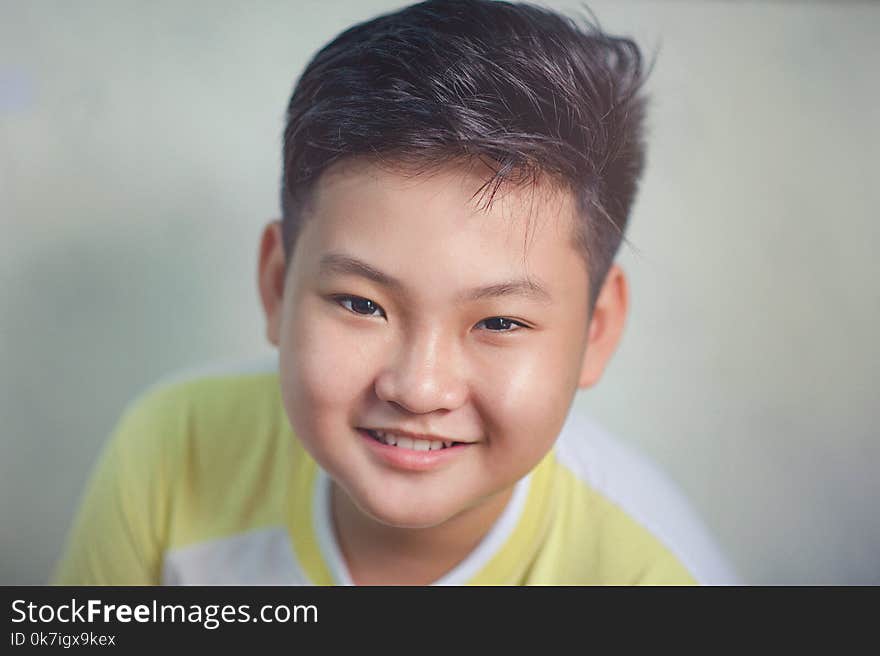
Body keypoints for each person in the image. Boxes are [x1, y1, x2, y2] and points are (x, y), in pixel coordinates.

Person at [53, 0, 738, 585]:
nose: (418, 388)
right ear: (277, 283)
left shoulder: (654, 574)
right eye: (361, 304)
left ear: (597, 329)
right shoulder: (175, 454)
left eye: (499, 321)